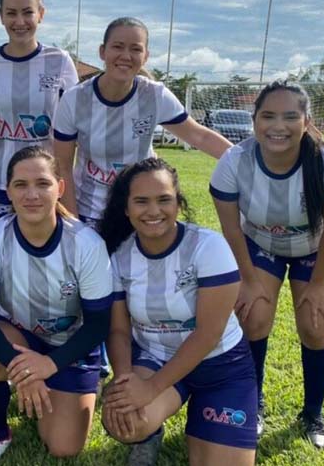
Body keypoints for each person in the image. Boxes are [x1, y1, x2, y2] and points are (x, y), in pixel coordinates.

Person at [209, 81, 324, 448]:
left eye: (291, 116)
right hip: (260, 245)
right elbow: (231, 228)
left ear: (306, 121)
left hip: (316, 247)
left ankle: (312, 413)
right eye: (268, 116)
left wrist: (319, 284)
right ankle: (253, 404)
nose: (279, 125)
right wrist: (247, 279)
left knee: (317, 327)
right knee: (254, 317)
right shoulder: (234, 162)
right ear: (254, 121)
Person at [0, 146, 113, 465]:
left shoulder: (86, 244)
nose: (32, 194)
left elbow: (99, 324)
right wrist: (25, 371)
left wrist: (51, 365)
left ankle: (84, 380)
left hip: (71, 345)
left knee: (62, 446)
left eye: (43, 183)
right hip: (20, 336)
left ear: (60, 188)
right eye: (21, 185)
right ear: (8, 192)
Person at [99, 158, 256, 466]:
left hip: (220, 366)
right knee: (124, 419)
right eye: (141, 201)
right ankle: (150, 433)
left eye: (164, 200)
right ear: (126, 208)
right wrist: (126, 381)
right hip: (156, 358)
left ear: (179, 204)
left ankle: (205, 419)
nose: (153, 211)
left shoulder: (209, 247)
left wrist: (150, 390)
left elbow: (208, 334)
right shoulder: (119, 257)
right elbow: (117, 330)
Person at [53, 17, 231, 226]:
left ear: (145, 56)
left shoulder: (155, 95)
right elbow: (62, 166)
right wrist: (75, 225)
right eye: (118, 46)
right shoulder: (75, 100)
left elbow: (200, 136)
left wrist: (245, 162)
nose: (126, 56)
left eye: (136, 49)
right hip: (89, 212)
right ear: (103, 51)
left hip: (142, 214)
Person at [0, 0, 79, 227]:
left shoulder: (59, 61)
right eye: (11, 13)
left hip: (47, 181)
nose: (19, 21)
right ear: (1, 16)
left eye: (27, 12)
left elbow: (76, 125)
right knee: (3, 255)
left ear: (40, 13)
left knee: (48, 255)